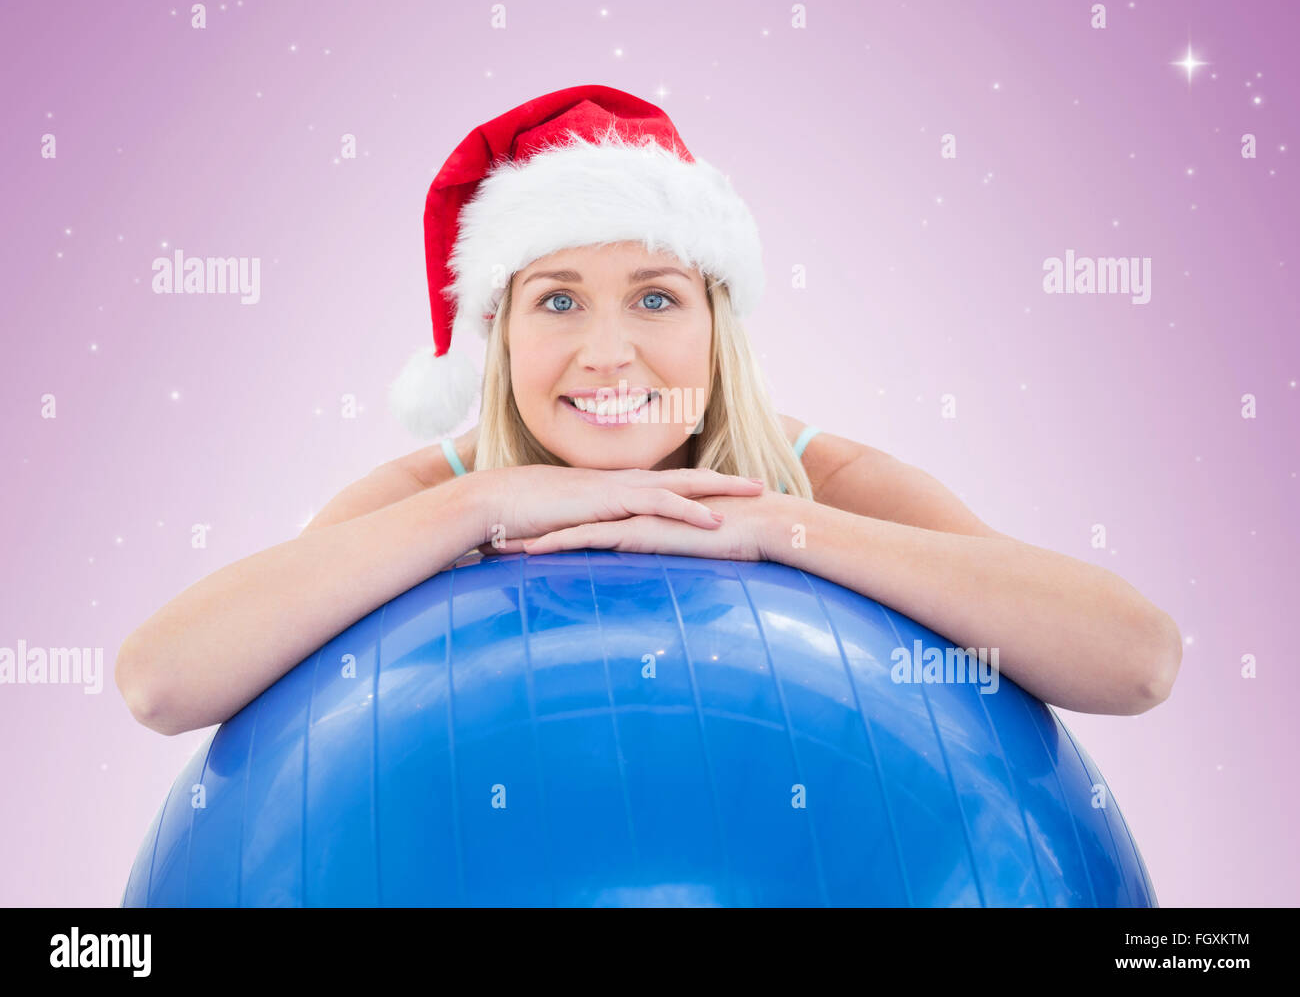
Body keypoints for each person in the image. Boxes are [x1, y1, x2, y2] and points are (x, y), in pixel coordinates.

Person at [114, 85, 1181, 737]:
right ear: (500, 335)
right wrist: (485, 502)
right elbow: (160, 683)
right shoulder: (426, 496)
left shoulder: (828, 479)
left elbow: (1134, 661)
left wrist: (774, 528)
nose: (608, 350)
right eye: (559, 299)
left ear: (718, 326)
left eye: (657, 298)